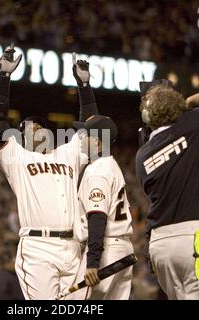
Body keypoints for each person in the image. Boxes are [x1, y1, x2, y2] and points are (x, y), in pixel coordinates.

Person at [0, 45, 97, 300]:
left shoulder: (66, 153)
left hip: (73, 247)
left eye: (33, 127)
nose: (28, 131)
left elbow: (91, 128)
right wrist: (4, 77)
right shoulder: (17, 157)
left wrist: (84, 85)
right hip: (37, 247)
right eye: (24, 129)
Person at [135, 81, 199, 300]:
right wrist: (189, 102)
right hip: (197, 239)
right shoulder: (198, 123)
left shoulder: (142, 155)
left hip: (160, 246)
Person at [73, 115, 135, 300]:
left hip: (106, 250)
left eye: (87, 135)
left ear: (99, 144)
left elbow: (97, 217)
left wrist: (93, 262)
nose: (81, 138)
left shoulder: (97, 171)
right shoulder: (112, 165)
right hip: (122, 249)